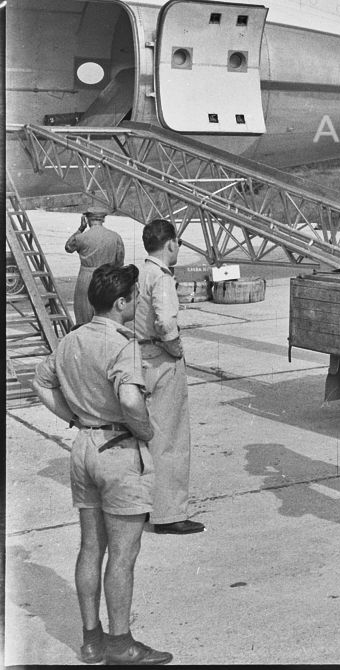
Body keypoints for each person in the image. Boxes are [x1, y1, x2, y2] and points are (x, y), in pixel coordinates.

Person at [32, 264, 173, 666]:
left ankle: (91, 640)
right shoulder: (122, 345)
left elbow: (40, 382)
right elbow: (130, 401)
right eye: (133, 297)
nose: (137, 302)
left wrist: (74, 417)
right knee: (123, 556)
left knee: (91, 548)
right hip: (118, 449)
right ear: (121, 303)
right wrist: (144, 431)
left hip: (84, 448)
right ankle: (121, 643)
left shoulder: (71, 340)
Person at [133, 219, 204, 535]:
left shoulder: (141, 274)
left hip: (142, 360)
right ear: (171, 244)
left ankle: (151, 506)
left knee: (149, 437)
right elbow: (164, 323)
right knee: (171, 438)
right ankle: (170, 514)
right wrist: (175, 349)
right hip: (162, 362)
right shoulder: (161, 278)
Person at [65, 207, 125, 327]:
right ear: (103, 219)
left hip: (86, 278)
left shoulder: (81, 237)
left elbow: (68, 247)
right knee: (107, 315)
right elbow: (120, 261)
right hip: (108, 278)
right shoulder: (115, 236)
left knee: (84, 316)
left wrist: (80, 229)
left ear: (87, 219)